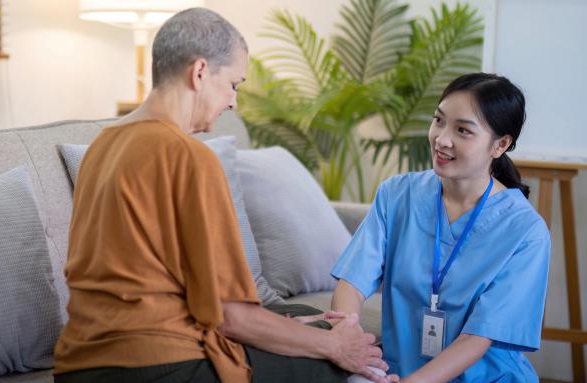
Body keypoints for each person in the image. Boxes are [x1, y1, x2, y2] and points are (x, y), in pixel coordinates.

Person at [53, 7, 390, 383]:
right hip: (155, 366)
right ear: (199, 73)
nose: (234, 102)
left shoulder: (101, 146)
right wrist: (335, 347)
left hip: (79, 364)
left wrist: (295, 325)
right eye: (234, 84)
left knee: (295, 315)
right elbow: (231, 315)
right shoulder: (190, 156)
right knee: (336, 359)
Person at [330, 72, 551, 382]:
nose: (442, 139)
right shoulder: (397, 196)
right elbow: (352, 283)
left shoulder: (526, 231)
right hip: (396, 373)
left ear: (500, 145)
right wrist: (347, 338)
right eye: (439, 120)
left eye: (463, 130)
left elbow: (478, 337)